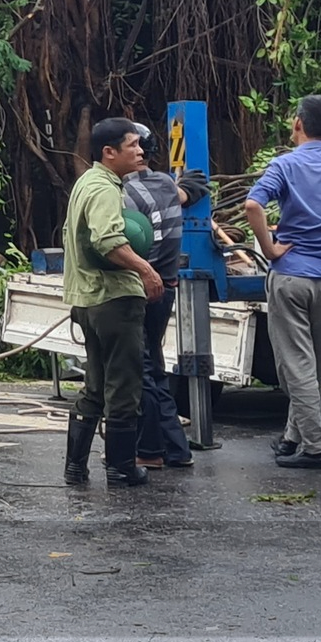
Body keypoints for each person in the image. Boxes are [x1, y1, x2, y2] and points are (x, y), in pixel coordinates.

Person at [62, 118, 167, 487]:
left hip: (87, 298)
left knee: (95, 384)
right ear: (109, 152)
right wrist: (146, 270)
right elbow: (107, 239)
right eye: (132, 146)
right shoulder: (104, 188)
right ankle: (121, 467)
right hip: (114, 299)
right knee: (124, 386)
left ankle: (76, 466)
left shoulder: (85, 183)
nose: (141, 151)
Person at [243, 94, 321, 470]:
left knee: (295, 368)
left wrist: (270, 248)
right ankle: (291, 438)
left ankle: (317, 448)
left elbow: (253, 205)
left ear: (298, 124)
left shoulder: (286, 164)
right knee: (313, 366)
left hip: (292, 277)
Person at [124, 124, 211, 471]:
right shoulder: (164, 184)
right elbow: (187, 193)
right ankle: (175, 448)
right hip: (168, 288)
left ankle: (153, 449)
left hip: (142, 288)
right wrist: (192, 183)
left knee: (141, 370)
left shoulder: (124, 193)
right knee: (154, 367)